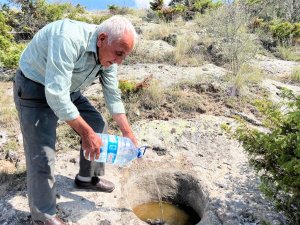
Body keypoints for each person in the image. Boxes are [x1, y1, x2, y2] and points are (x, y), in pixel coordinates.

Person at [13, 16, 138, 225]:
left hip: (67, 89)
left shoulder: (110, 52)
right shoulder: (68, 38)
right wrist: (85, 133)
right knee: (43, 154)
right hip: (34, 89)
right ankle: (44, 215)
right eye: (118, 54)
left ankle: (87, 178)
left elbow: (112, 94)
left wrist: (127, 131)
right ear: (102, 38)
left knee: (97, 125)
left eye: (124, 56)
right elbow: (55, 96)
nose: (120, 61)